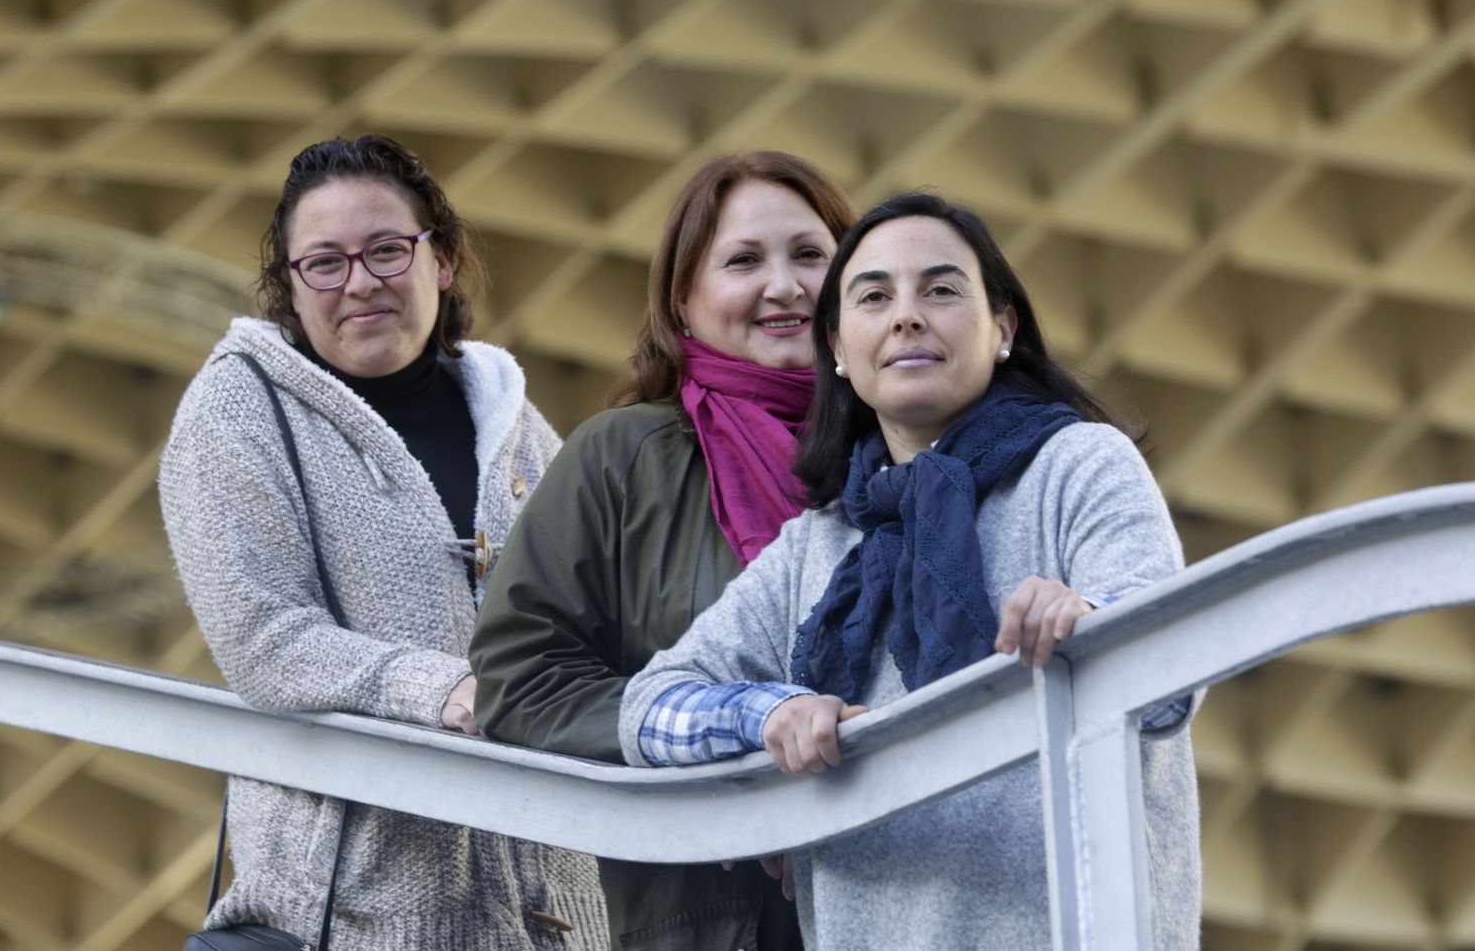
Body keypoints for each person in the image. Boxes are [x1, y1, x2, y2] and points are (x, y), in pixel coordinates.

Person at [619, 191, 1202, 950]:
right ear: (836, 346)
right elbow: (650, 711)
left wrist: (1093, 628)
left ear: (1003, 328)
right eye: (873, 296)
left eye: (941, 290)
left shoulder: (1079, 465)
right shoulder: (817, 543)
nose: (906, 316)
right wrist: (771, 715)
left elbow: (1171, 681)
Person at [158, 134, 609, 949]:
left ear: (441, 261)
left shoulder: (526, 435)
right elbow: (266, 641)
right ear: (290, 289)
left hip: (547, 924)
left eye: (387, 250)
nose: (359, 282)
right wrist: (443, 689)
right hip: (342, 923)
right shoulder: (236, 411)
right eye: (324, 263)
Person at [469, 151, 856, 951]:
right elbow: (522, 681)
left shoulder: (915, 448)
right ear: (683, 299)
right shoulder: (620, 458)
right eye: (744, 260)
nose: (784, 285)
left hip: (910, 903)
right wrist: (733, 748)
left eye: (811, 256)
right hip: (710, 920)